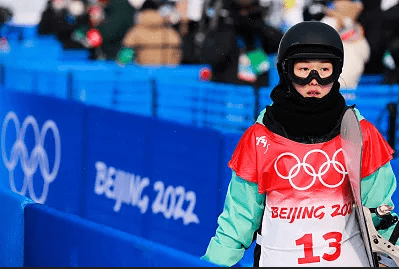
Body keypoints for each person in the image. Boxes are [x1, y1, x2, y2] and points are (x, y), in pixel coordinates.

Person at [201, 21, 398, 267]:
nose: (313, 81)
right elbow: (238, 221)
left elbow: (381, 213)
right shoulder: (261, 139)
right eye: (303, 69)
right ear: (286, 70)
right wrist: (215, 263)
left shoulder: (360, 134)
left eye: (324, 70)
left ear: (336, 72)